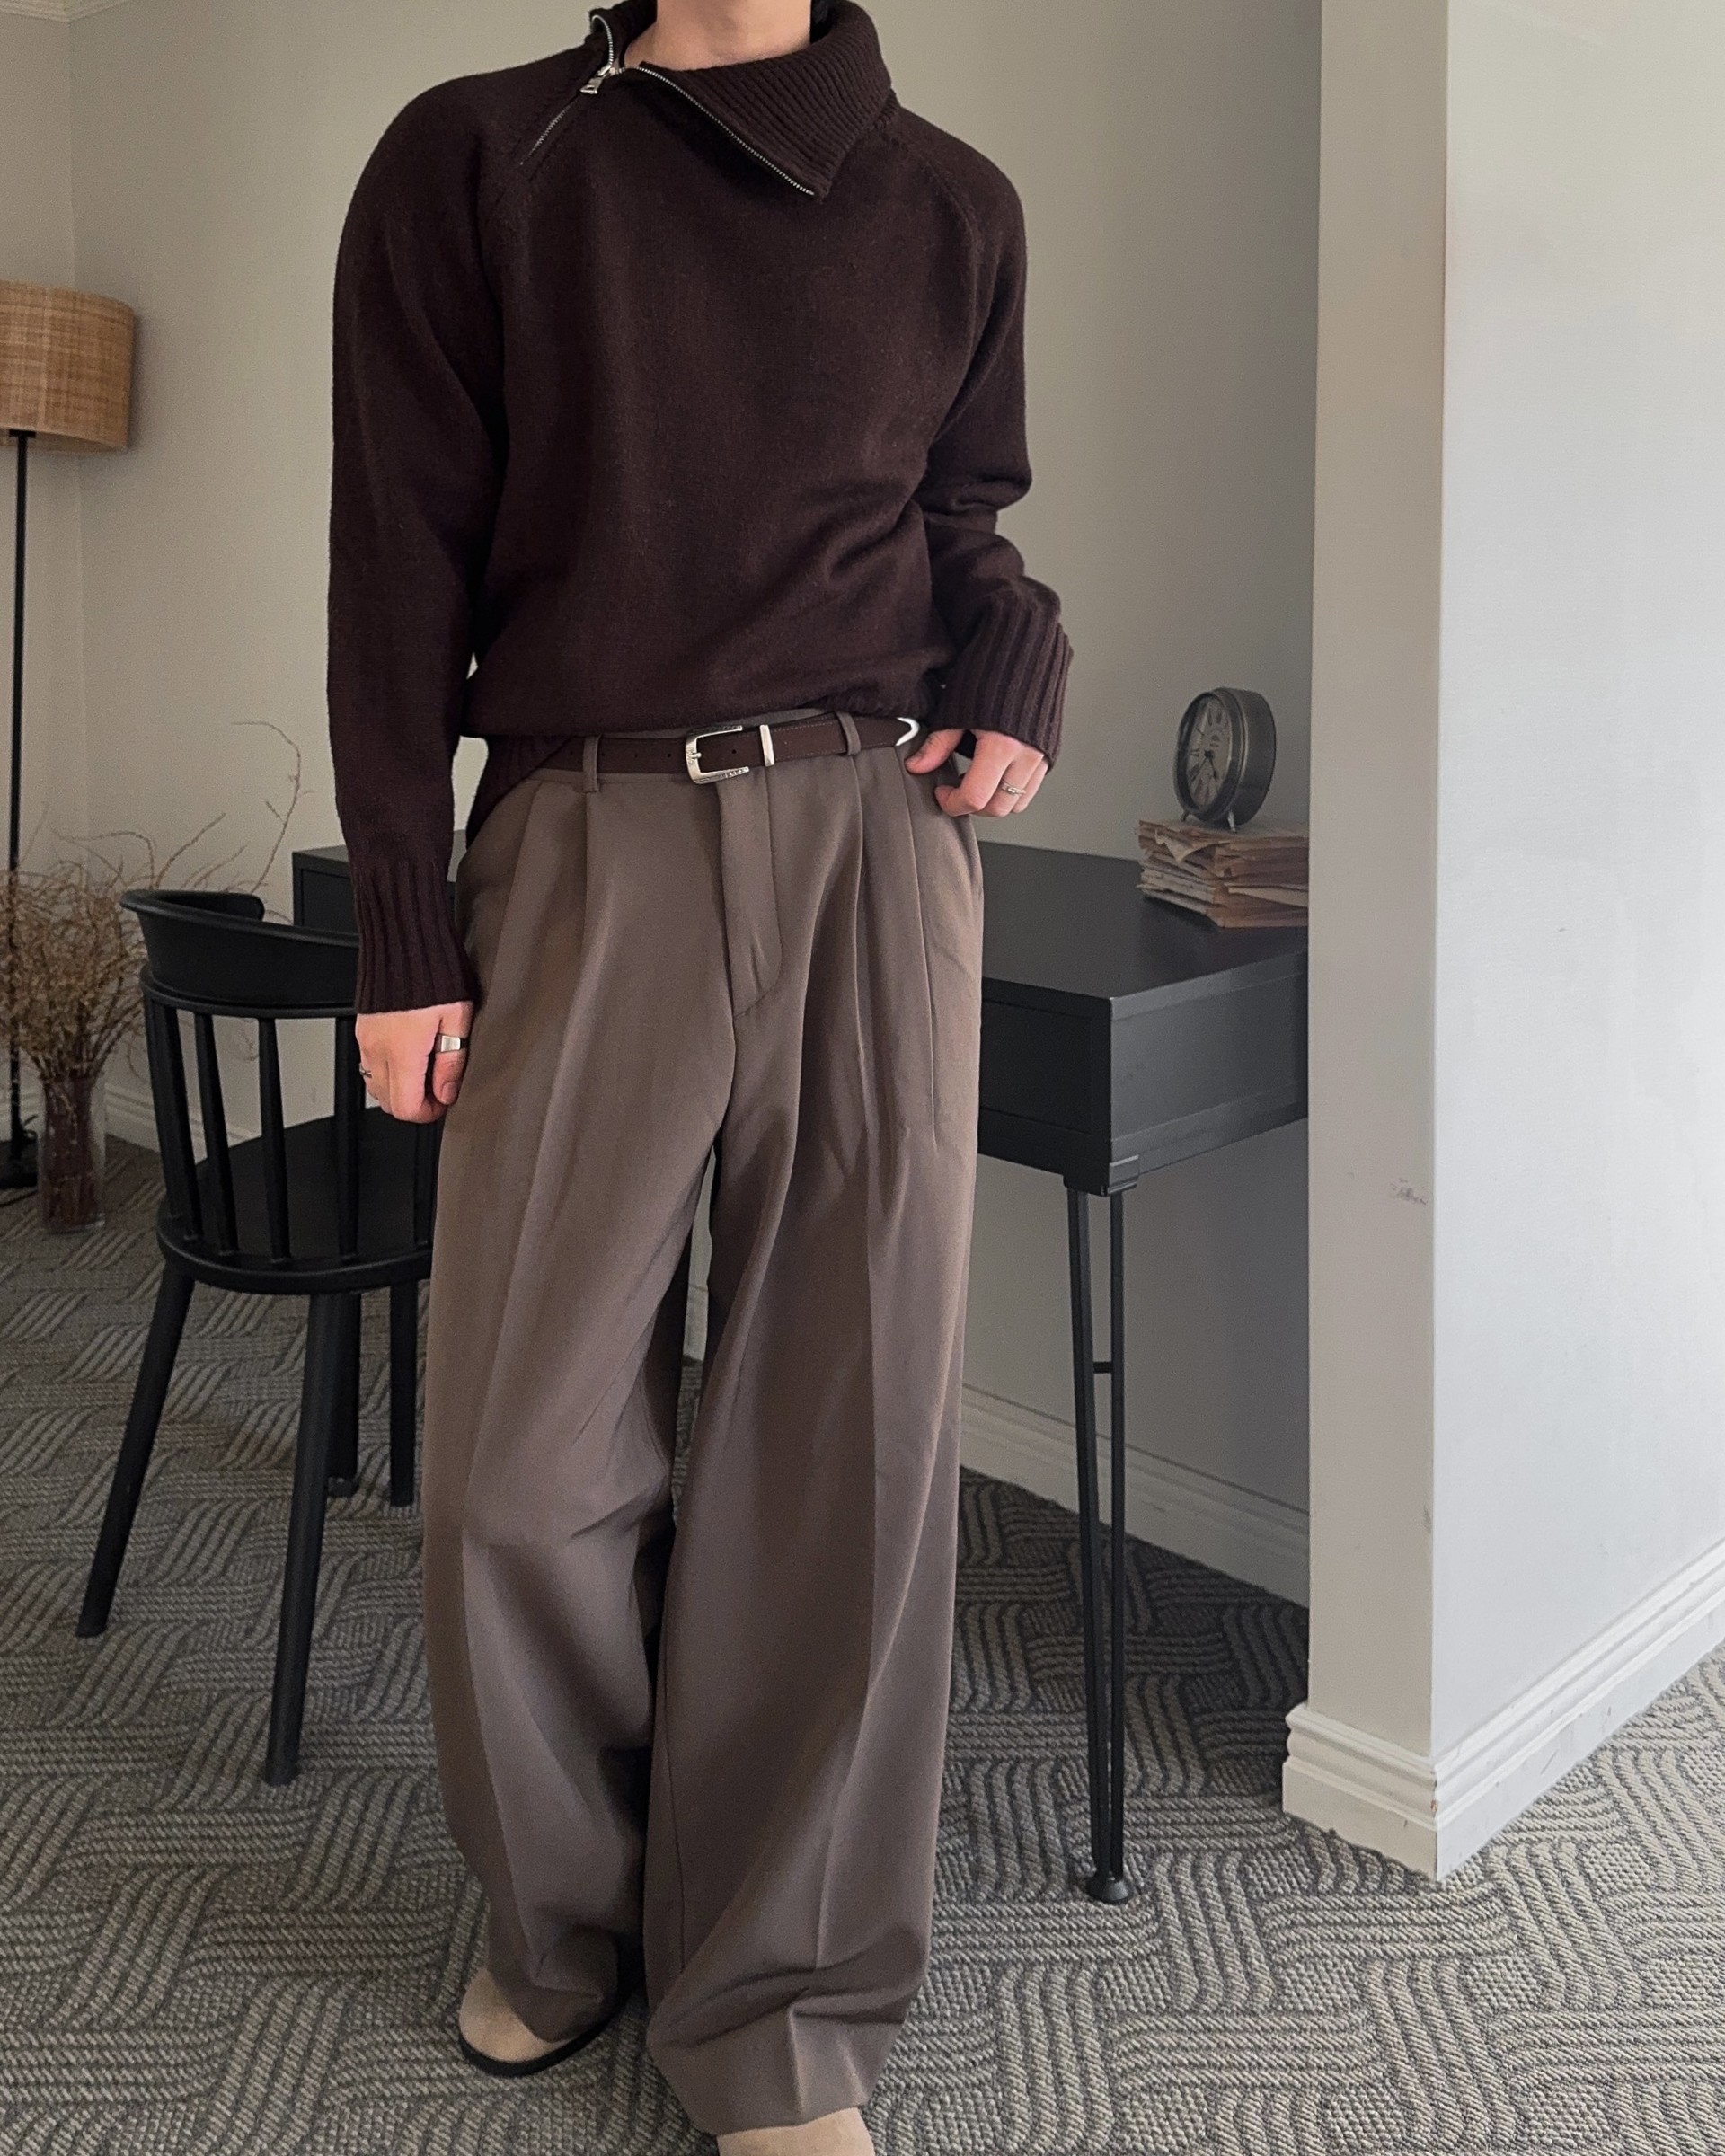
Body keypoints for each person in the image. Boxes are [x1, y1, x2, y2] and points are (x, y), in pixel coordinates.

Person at [326, 0, 1071, 2147]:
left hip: (874, 836)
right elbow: (396, 562)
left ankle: (781, 2008)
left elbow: (963, 522)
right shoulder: (482, 157)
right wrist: (402, 924)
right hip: (584, 833)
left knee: (845, 1447)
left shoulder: (954, 207)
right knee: (515, 1465)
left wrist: (1018, 653)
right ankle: (566, 1916)